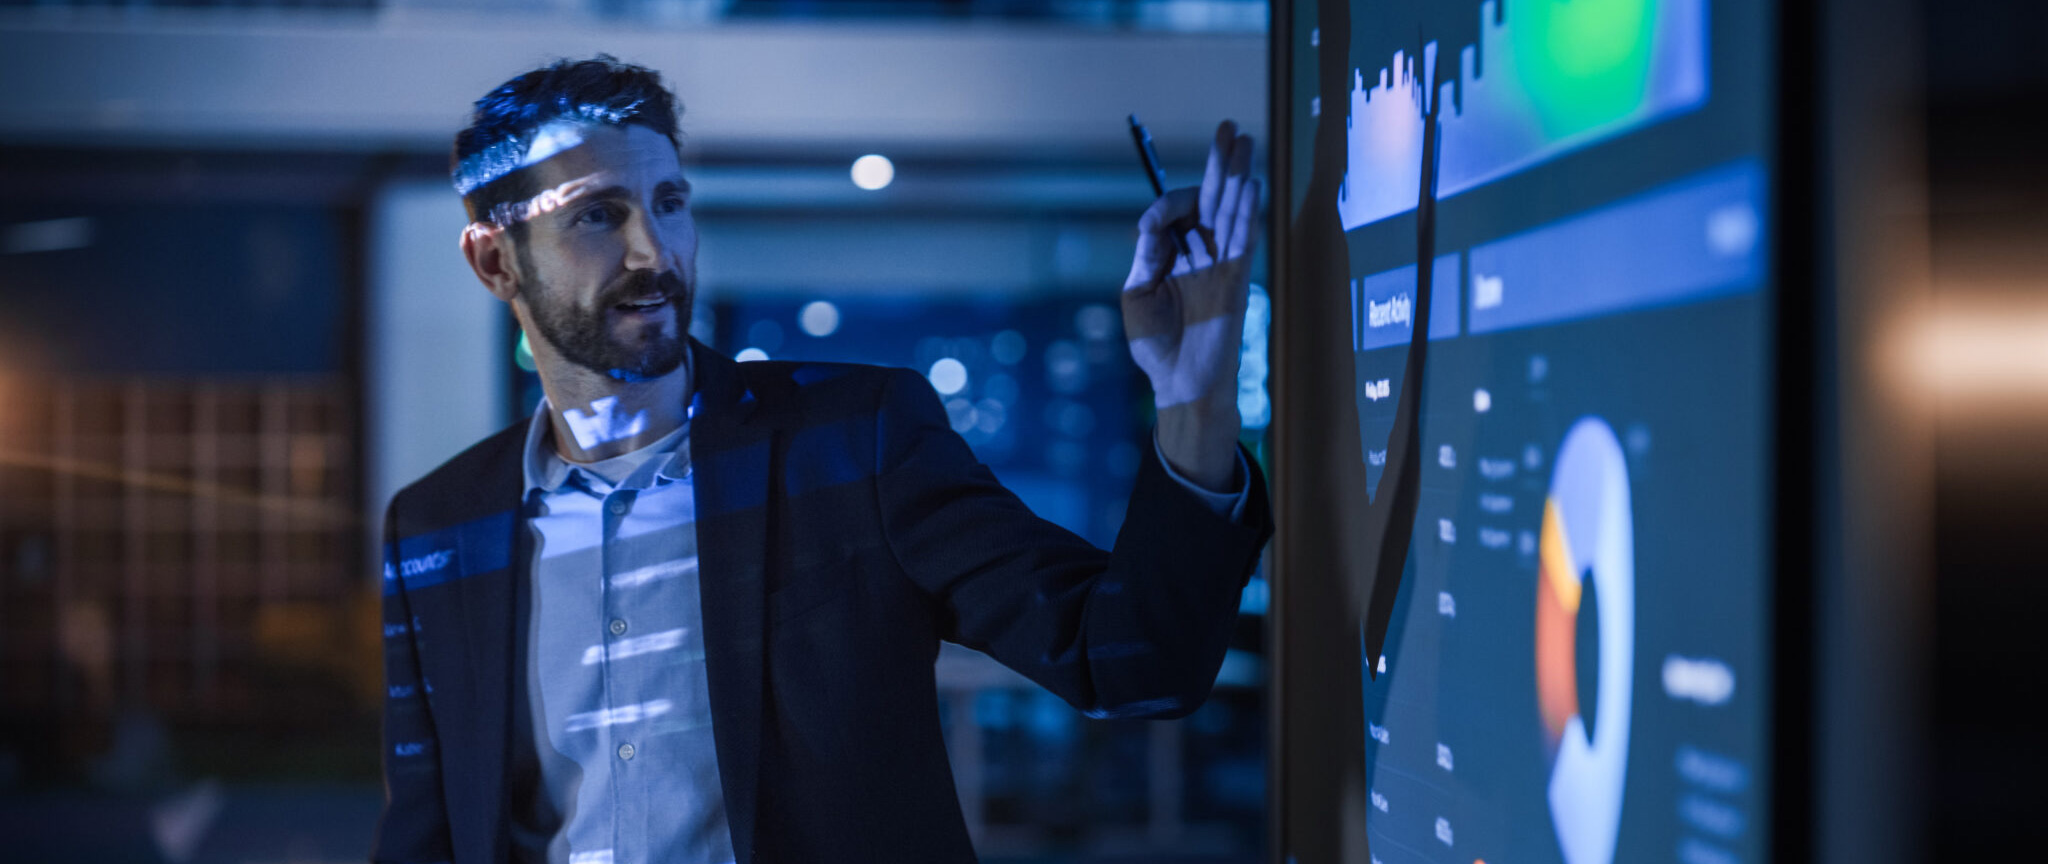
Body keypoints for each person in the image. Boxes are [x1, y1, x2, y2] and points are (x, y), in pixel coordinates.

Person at [372, 56, 1271, 864]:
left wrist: (1194, 401)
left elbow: (1133, 662)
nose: (654, 252)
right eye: (599, 216)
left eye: (670, 203)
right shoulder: (440, 525)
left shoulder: (853, 442)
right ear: (496, 261)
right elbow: (427, 830)